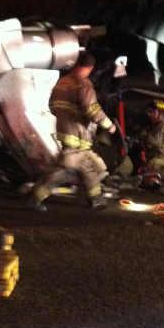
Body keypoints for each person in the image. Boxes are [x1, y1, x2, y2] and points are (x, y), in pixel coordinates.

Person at [30, 51, 116, 211]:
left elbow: (52, 106)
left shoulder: (62, 82)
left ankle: (95, 198)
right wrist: (109, 125)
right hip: (78, 135)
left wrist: (66, 118)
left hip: (65, 132)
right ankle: (36, 195)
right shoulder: (83, 84)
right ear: (89, 68)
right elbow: (92, 110)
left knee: (86, 166)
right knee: (64, 169)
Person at [137, 99, 164, 188]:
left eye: (152, 112)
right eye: (149, 111)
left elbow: (155, 142)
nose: (149, 114)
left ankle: (161, 178)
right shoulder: (155, 125)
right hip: (152, 156)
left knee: (146, 177)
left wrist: (145, 135)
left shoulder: (163, 126)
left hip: (159, 158)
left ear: (160, 113)